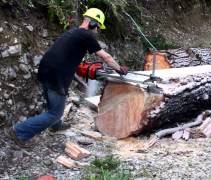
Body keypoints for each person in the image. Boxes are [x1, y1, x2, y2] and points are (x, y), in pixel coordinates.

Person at [5, 8, 128, 147]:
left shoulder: (73, 32)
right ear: (93, 23)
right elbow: (105, 56)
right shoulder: (87, 35)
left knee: (54, 102)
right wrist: (119, 69)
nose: (97, 31)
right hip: (57, 75)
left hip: (45, 70)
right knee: (55, 113)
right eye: (98, 27)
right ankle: (18, 132)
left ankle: (56, 126)